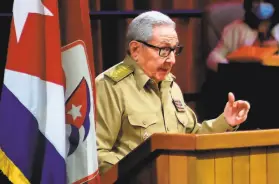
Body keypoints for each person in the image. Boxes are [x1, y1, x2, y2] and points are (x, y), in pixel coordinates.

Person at [95, 11, 251, 175]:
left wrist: (226, 121)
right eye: (163, 50)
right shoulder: (110, 86)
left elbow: (191, 138)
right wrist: (144, 173)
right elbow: (97, 155)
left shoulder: (170, 86)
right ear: (135, 50)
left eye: (174, 50)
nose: (172, 60)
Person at [207, 0, 279, 71]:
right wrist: (229, 69)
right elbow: (213, 58)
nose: (261, 5)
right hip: (242, 79)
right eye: (256, 1)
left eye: (266, 1)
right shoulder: (234, 29)